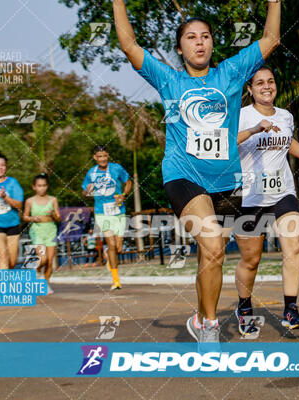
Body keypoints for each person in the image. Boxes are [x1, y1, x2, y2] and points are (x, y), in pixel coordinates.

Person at [113, 0, 281, 343]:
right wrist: (118, 2)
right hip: (183, 176)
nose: (199, 42)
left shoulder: (231, 72)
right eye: (191, 37)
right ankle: (209, 324)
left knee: (212, 256)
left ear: (212, 44)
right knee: (214, 246)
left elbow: (272, 38)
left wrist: (274, 3)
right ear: (180, 48)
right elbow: (129, 45)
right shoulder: (168, 79)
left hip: (226, 181)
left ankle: (201, 316)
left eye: (205, 36)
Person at [234, 66, 299, 336]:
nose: (267, 86)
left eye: (271, 81)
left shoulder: (285, 116)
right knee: (251, 260)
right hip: (250, 196)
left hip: (283, 192)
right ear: (250, 90)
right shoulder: (241, 116)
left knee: (294, 245)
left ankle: (290, 309)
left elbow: (287, 144)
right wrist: (254, 129)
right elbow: (227, 144)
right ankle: (244, 306)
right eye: (260, 83)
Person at [82, 145, 131, 290]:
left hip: (119, 211)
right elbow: (84, 192)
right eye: (99, 157)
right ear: (95, 158)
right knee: (111, 244)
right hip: (101, 212)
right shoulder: (91, 173)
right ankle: (116, 281)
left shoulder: (116, 168)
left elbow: (128, 182)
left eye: (105, 156)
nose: (102, 159)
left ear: (108, 156)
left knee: (119, 248)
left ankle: (109, 255)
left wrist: (124, 195)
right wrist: (87, 191)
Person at [23, 173, 60, 294]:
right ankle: (37, 271)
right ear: (34, 187)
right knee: (42, 259)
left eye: (44, 185)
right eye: (39, 186)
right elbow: (25, 217)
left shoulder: (53, 200)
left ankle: (46, 284)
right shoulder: (29, 201)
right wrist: (33, 218)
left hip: (51, 230)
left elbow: (59, 218)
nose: (42, 188)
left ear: (47, 186)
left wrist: (53, 215)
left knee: (50, 261)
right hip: (37, 230)